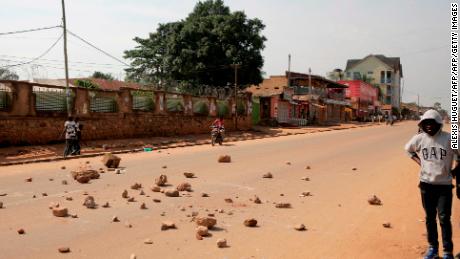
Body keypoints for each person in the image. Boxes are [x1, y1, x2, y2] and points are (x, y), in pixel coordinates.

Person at [405, 109, 460, 259]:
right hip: (426, 185)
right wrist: (421, 163)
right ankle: (433, 248)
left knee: (444, 218)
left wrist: (454, 171)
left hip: (444, 186)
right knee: (430, 218)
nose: (429, 126)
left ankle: (447, 251)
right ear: (422, 125)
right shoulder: (419, 138)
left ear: (439, 124)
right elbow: (408, 150)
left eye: (432, 123)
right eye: (426, 123)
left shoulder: (449, 138)